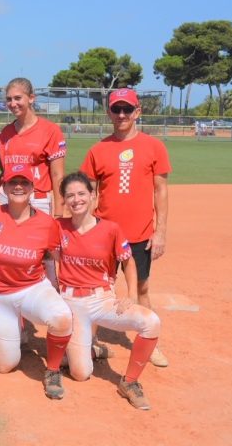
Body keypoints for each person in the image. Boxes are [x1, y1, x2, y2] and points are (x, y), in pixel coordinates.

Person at [80, 88, 171, 367]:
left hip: (140, 234)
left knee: (142, 288)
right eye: (116, 109)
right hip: (105, 234)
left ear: (137, 112)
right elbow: (88, 193)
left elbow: (161, 190)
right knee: (97, 290)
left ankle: (149, 342)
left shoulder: (154, 147)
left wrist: (160, 232)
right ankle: (88, 342)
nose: (121, 114)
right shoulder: (98, 150)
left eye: (127, 109)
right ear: (109, 112)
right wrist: (85, 231)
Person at [56, 171, 161, 410]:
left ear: (93, 195)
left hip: (101, 299)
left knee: (151, 322)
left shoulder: (111, 229)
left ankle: (130, 382)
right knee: (81, 373)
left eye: (82, 193)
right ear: (64, 200)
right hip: (72, 302)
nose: (76, 200)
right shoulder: (58, 227)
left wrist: (131, 295)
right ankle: (91, 350)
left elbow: (128, 261)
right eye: (70, 195)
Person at [0, 163, 72, 399]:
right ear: (4, 187)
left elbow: (59, 258)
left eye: (24, 183)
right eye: (13, 182)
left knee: (62, 317)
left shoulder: (47, 223)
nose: (18, 187)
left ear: (32, 188)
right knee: (4, 365)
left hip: (32, 288)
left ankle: (53, 370)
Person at [0, 78, 66, 217]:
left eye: (18, 98)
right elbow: (4, 169)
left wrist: (59, 212)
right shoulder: (6, 132)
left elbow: (57, 175)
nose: (13, 104)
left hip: (36, 199)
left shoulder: (50, 130)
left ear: (31, 98)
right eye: (9, 99)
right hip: (8, 197)